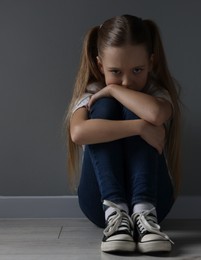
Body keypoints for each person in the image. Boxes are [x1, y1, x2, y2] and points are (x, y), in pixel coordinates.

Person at [64, 14, 181, 254]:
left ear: (151, 62)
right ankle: (115, 214)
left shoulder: (157, 92)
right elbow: (78, 133)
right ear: (99, 66)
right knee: (103, 107)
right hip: (99, 204)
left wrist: (114, 90)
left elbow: (156, 114)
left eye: (137, 70)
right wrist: (138, 127)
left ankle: (144, 214)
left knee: (137, 106)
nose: (127, 81)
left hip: (156, 201)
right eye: (115, 71)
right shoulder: (92, 94)